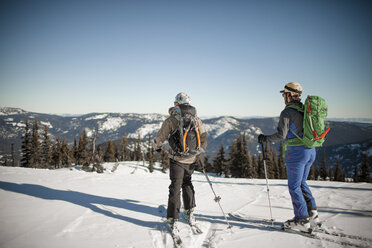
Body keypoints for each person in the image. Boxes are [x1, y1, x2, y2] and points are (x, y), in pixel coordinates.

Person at [258, 82, 320, 232]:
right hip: (310, 150)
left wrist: (265, 138)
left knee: (294, 186)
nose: (283, 97)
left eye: (284, 94)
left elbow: (281, 135)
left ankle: (301, 220)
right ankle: (313, 215)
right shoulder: (304, 109)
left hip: (297, 153)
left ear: (289, 95)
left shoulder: (287, 112)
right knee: (301, 183)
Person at [154, 92, 208, 233]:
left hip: (177, 159)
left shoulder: (172, 119)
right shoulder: (196, 119)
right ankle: (189, 212)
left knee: (175, 188)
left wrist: (157, 147)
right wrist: (198, 151)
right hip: (191, 159)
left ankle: (173, 218)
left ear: (177, 103)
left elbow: (160, 137)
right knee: (187, 183)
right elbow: (203, 136)